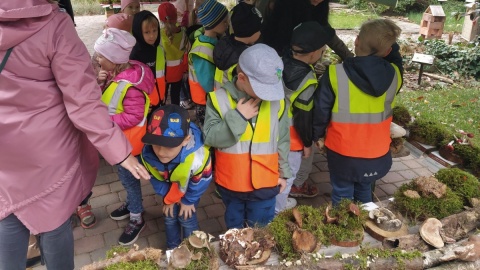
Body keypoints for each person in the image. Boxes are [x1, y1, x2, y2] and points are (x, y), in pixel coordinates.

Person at [0, 1, 149, 269]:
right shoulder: (55, 24)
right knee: (53, 222)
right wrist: (120, 151)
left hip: (5, 155)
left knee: (7, 219)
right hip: (47, 154)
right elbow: (84, 101)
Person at [312, 19, 403, 205]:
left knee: (342, 195)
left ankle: (345, 231)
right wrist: (392, 50)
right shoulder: (395, 75)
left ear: (356, 41)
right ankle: (365, 228)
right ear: (387, 51)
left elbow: (321, 111)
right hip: (377, 152)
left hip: (343, 153)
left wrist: (317, 135)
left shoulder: (334, 74)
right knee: (365, 193)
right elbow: (395, 60)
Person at [203, 44, 291, 229]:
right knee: (234, 230)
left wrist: (283, 173)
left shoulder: (278, 103)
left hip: (266, 183)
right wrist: (238, 117)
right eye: (263, 89)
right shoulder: (218, 99)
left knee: (261, 231)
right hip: (232, 184)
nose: (269, 96)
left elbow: (282, 139)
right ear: (241, 78)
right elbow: (210, 137)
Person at [95, 28, 155, 245]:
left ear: (115, 60)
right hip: (120, 140)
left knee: (130, 181)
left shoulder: (129, 86)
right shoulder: (123, 74)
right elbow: (110, 99)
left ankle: (137, 217)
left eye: (101, 56)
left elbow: (134, 115)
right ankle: (131, 204)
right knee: (126, 180)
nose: (98, 59)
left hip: (129, 145)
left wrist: (105, 122)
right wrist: (102, 82)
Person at [276, 21, 332, 212]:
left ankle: (274, 203)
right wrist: (308, 142)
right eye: (323, 50)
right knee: (286, 175)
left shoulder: (279, 61)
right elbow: (303, 116)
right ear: (314, 53)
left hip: (269, 130)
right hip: (291, 140)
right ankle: (277, 210)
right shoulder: (307, 79)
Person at [140, 105, 212, 249]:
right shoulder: (148, 154)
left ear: (186, 140)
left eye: (169, 147)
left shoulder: (198, 156)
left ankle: (192, 249)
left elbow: (202, 180)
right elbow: (155, 178)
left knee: (186, 217)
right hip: (169, 189)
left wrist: (188, 201)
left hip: (190, 191)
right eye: (156, 145)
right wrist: (168, 198)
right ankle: (173, 249)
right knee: (169, 217)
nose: (161, 152)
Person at [188, 0, 228, 125]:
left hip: (210, 98)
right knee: (207, 130)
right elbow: (207, 83)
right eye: (224, 22)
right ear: (213, 23)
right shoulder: (202, 50)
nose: (227, 24)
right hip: (205, 100)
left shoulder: (213, 39)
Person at [213, 1, 262, 90]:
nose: (260, 33)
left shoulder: (223, 43)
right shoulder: (246, 59)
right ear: (250, 32)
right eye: (259, 29)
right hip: (236, 100)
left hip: (220, 94)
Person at [130, 10, 166, 112]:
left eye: (155, 31)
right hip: (146, 104)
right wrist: (141, 102)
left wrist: (162, 94)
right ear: (138, 32)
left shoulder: (159, 49)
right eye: (147, 32)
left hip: (160, 98)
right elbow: (134, 82)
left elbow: (163, 74)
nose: (152, 36)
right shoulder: (135, 54)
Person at [158, 2, 189, 106]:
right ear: (176, 16)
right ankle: (175, 116)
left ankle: (162, 116)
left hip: (163, 73)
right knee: (175, 98)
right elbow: (185, 53)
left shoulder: (157, 34)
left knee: (162, 97)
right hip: (178, 73)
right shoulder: (183, 32)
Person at [92, 13, 134, 89]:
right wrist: (99, 80)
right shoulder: (110, 69)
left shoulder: (128, 82)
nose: (105, 30)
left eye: (108, 27)